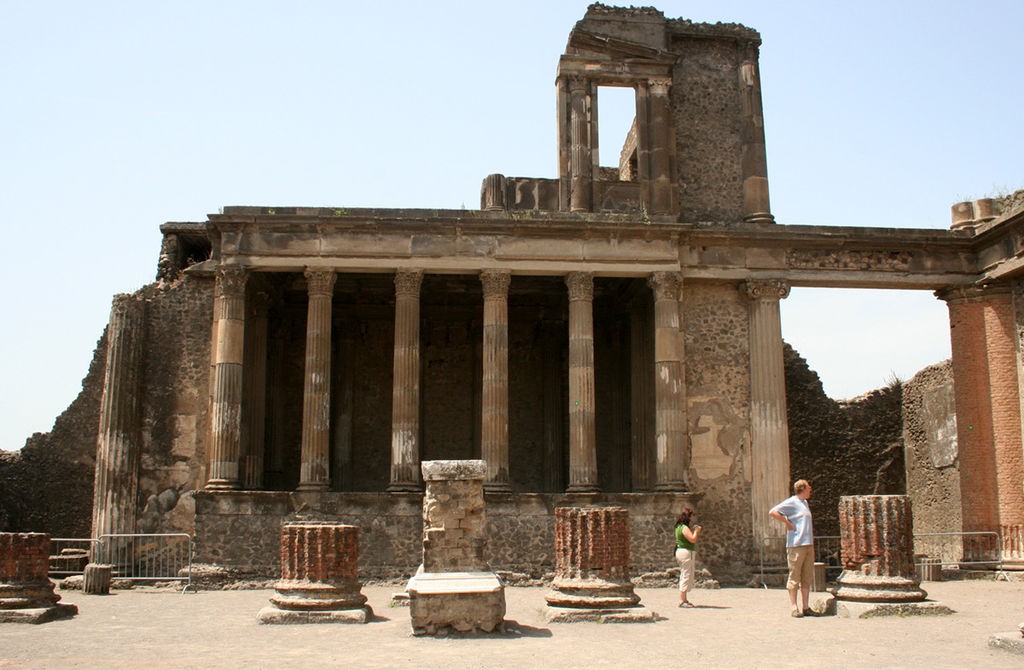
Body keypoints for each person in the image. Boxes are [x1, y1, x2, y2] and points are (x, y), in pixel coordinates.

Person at [769, 479, 815, 618]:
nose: (810, 489)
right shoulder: (792, 501)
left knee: (807, 576)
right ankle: (794, 607)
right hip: (796, 544)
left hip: (808, 544)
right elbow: (773, 512)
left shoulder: (805, 503)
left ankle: (806, 606)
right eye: (808, 487)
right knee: (794, 576)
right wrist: (788, 523)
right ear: (802, 489)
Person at [673, 508, 702, 608]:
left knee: (685, 574)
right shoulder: (684, 528)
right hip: (685, 552)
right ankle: (682, 600)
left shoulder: (678, 527)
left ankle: (684, 599)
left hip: (681, 551)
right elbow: (692, 539)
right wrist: (697, 531)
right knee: (686, 575)